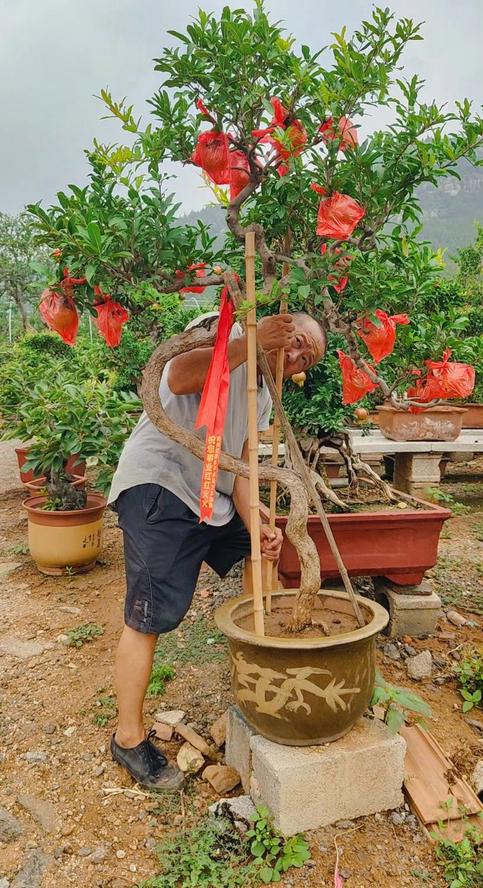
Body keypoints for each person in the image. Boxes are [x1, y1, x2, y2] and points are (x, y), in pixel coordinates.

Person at [107, 310, 327, 790]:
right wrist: (250, 341)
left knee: (263, 549)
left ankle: (264, 681)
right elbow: (180, 377)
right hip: (162, 485)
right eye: (294, 341)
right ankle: (127, 738)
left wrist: (257, 526)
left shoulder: (264, 392)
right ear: (275, 325)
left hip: (215, 498)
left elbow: (242, 465)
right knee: (148, 616)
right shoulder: (223, 328)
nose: (293, 356)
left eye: (304, 357)